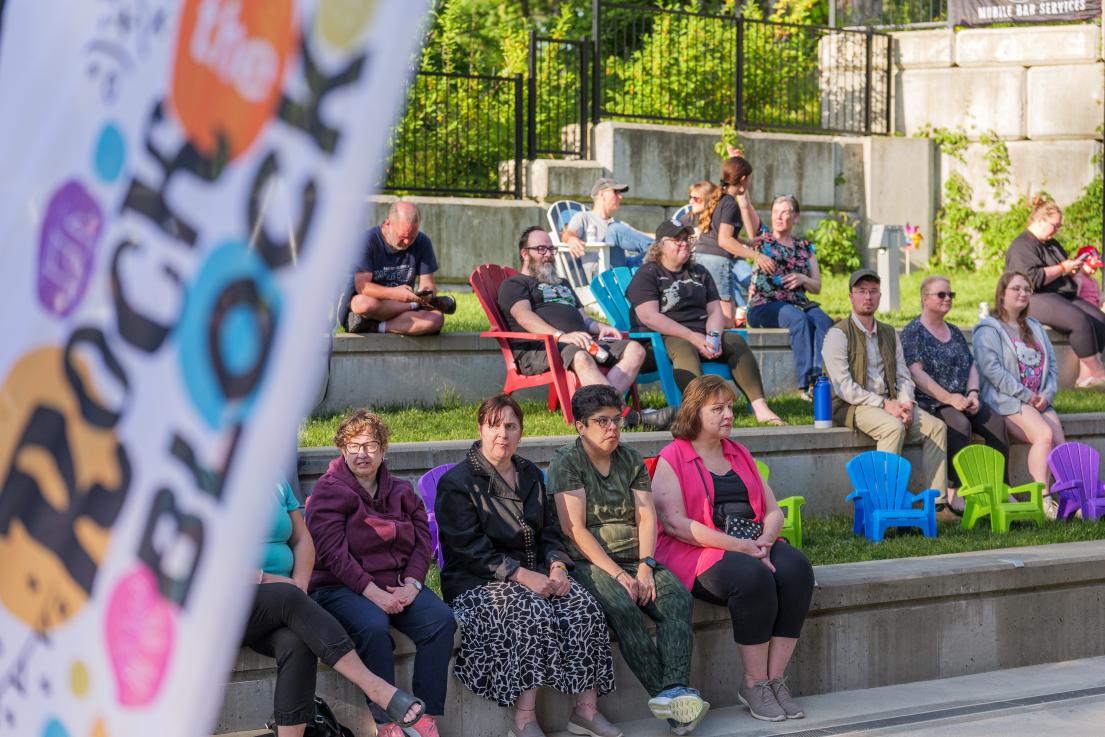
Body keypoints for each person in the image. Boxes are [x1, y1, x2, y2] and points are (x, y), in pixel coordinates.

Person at [436, 395, 618, 737]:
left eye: (510, 426)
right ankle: (525, 719)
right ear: (480, 429)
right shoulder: (458, 483)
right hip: (476, 582)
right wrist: (520, 576)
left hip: (535, 575)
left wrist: (557, 566)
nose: (502, 434)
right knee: (531, 611)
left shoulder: (530, 473)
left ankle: (585, 711)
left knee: (584, 607)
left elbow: (549, 530)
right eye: (494, 426)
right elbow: (468, 549)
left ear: (521, 431)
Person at [650, 375, 814, 723]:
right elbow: (676, 524)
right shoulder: (672, 457)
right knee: (752, 577)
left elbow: (773, 510)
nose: (728, 415)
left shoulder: (739, 453)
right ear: (695, 412)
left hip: (753, 541)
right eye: (718, 408)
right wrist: (741, 547)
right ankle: (754, 683)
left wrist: (765, 541)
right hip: (697, 551)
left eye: (730, 407)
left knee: (797, 569)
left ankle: (774, 680)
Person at [549, 385, 708, 736]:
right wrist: (618, 574)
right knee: (623, 608)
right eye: (601, 421)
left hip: (636, 556)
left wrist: (645, 566)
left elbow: (646, 516)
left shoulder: (631, 459)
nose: (612, 428)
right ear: (580, 426)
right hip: (591, 562)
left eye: (616, 420)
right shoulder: (567, 462)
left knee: (677, 599)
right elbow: (574, 529)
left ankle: (675, 692)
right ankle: (674, 705)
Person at [306, 411, 456, 737]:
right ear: (342, 449)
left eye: (371, 445)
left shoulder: (400, 491)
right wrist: (374, 594)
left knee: (441, 621)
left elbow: (423, 540)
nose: (362, 453)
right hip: (340, 586)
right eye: (354, 445)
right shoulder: (328, 491)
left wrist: (413, 584)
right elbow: (333, 554)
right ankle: (386, 722)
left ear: (383, 450)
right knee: (373, 627)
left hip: (398, 583)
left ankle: (424, 719)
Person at [244, 475, 424, 736]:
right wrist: (275, 581)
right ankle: (375, 687)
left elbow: (302, 538)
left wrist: (300, 584)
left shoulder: (273, 479)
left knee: (297, 642)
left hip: (280, 604)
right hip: (222, 607)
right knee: (288, 598)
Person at [499, 226, 673, 428]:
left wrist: (600, 327)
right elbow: (524, 316)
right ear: (524, 253)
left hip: (580, 340)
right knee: (581, 357)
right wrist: (560, 336)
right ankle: (628, 416)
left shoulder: (562, 283)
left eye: (551, 249)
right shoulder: (515, 284)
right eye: (541, 249)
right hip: (542, 348)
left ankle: (603, 412)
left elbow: (584, 319)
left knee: (635, 350)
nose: (548, 254)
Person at [626, 220, 784, 426]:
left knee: (735, 341)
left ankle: (761, 408)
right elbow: (650, 317)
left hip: (702, 335)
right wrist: (693, 337)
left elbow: (715, 310)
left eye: (686, 239)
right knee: (682, 346)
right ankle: (700, 411)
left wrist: (714, 337)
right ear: (660, 245)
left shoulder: (699, 272)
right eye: (677, 239)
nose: (684, 243)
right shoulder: (648, 274)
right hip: (660, 340)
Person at [821, 269, 947, 498]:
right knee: (892, 427)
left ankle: (938, 502)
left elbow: (903, 375)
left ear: (880, 296)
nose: (868, 296)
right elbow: (844, 387)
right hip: (853, 405)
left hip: (890, 402)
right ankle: (885, 500)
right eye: (861, 291)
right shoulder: (837, 335)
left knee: (936, 427)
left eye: (873, 291)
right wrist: (885, 405)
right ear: (850, 296)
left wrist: (907, 403)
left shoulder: (889, 332)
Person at [900, 276, 1010, 515]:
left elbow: (971, 366)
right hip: (932, 401)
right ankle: (954, 489)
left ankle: (1002, 486)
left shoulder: (955, 331)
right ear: (924, 299)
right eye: (941, 294)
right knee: (959, 425)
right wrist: (949, 398)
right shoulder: (913, 332)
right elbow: (917, 374)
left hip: (963, 398)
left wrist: (973, 393)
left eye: (951, 294)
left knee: (996, 422)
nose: (947, 298)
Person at [973, 272, 1064, 520]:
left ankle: (1069, 496)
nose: (1023, 293)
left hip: (1038, 400)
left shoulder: (1034, 326)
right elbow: (992, 371)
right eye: (1016, 288)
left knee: (1059, 440)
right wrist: (1026, 395)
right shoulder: (987, 329)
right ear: (1002, 293)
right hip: (1006, 399)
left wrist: (1046, 394)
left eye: (1027, 289)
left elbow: (1052, 366)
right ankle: (1043, 499)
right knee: (1043, 435)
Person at [1005, 195, 1105, 388]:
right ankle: (1099, 372)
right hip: (1032, 297)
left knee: (1100, 320)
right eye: (1055, 225)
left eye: (1059, 226)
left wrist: (1071, 269)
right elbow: (1030, 279)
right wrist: (1062, 268)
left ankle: (1085, 378)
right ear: (1041, 220)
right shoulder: (1021, 245)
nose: (1057, 229)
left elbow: (1062, 268)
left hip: (1061, 294)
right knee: (1078, 320)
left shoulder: (1051, 243)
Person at [740, 195, 833, 399]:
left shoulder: (805, 247)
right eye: (775, 212)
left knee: (824, 321)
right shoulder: (762, 239)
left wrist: (803, 279)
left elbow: (816, 286)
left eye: (785, 212)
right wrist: (741, 191)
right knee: (799, 320)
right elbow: (745, 207)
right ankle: (805, 384)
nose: (779, 217)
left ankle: (818, 380)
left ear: (796, 216)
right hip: (764, 304)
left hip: (798, 303)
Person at [341, 201, 456, 335]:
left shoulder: (423, 242)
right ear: (388, 223)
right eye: (402, 237)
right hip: (373, 308)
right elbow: (362, 287)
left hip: (401, 310)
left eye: (412, 237)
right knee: (362, 304)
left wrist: (426, 293)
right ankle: (411, 308)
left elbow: (428, 283)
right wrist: (396, 294)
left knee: (436, 319)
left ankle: (374, 327)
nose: (407, 242)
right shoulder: (366, 241)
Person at [694, 155, 775, 324]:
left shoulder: (718, 198)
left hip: (700, 257)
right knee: (727, 320)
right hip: (716, 262)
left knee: (709, 314)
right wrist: (757, 256)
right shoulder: (731, 204)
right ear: (743, 179)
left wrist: (746, 242)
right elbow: (724, 240)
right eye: (749, 179)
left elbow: (717, 232)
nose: (749, 183)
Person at [561, 178, 654, 272]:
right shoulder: (583, 217)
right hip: (601, 270)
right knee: (614, 230)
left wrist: (661, 236)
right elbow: (568, 233)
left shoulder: (618, 223)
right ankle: (658, 250)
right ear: (602, 194)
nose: (620, 197)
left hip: (624, 265)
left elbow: (641, 237)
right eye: (615, 192)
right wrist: (571, 239)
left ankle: (659, 250)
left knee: (653, 257)